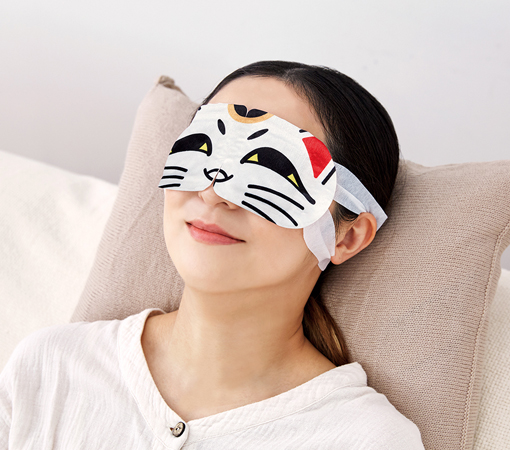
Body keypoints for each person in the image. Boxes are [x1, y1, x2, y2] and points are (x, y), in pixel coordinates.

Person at [0, 61, 425, 449]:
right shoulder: (50, 366)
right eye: (202, 147)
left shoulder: (367, 439)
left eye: (270, 167)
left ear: (347, 238)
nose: (212, 191)